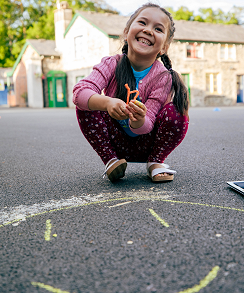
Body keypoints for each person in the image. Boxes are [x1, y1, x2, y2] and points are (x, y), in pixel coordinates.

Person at [73, 2, 189, 183]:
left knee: (177, 112)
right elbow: (80, 92)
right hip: (115, 141)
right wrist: (107, 103)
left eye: (158, 29)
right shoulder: (111, 63)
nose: (148, 30)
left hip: (147, 142)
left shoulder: (163, 77)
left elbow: (148, 122)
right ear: (126, 32)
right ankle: (111, 160)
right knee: (87, 104)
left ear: (164, 47)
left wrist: (139, 120)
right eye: (142, 23)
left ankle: (155, 162)